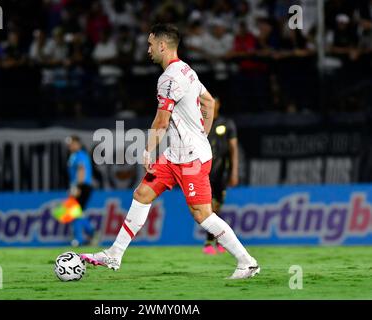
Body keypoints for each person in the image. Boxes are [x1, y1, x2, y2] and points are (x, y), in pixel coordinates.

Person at [81, 23, 259, 279]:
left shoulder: (169, 78)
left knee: (202, 215)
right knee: (142, 194)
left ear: (162, 45)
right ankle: (114, 254)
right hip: (176, 155)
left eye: (150, 44)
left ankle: (247, 261)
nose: (148, 49)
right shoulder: (186, 70)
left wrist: (147, 151)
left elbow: (161, 121)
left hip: (190, 159)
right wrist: (203, 133)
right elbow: (208, 101)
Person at [203, 97, 239, 255]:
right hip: (206, 172)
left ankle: (215, 240)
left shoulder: (227, 124)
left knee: (217, 207)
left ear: (218, 104)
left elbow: (233, 149)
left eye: (214, 101)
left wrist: (234, 171)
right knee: (210, 207)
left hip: (222, 172)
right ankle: (210, 241)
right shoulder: (201, 123)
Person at [66, 135, 96, 247]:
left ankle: (80, 238)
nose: (70, 146)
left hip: (82, 186)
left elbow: (81, 169)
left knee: (75, 213)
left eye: (72, 143)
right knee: (77, 212)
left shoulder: (79, 155)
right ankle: (90, 233)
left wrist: (77, 187)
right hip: (81, 186)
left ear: (77, 144)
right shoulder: (74, 155)